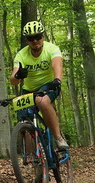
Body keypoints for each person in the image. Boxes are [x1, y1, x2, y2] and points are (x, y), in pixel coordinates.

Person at [10, 20, 69, 150]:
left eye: (38, 37)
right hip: (28, 90)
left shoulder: (52, 49)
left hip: (49, 85)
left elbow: (57, 65)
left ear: (43, 37)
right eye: (31, 38)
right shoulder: (21, 55)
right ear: (27, 40)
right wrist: (18, 75)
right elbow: (13, 80)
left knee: (41, 101)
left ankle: (58, 137)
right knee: (25, 123)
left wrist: (57, 80)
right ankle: (34, 158)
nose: (35, 41)